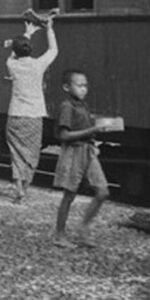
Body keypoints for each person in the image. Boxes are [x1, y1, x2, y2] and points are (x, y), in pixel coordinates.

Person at [53, 69, 110, 248]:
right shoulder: (67, 106)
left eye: (85, 85)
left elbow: (85, 122)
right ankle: (59, 234)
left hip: (88, 151)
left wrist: (101, 124)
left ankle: (83, 228)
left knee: (103, 191)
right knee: (69, 195)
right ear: (66, 87)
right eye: (79, 85)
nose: (84, 89)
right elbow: (63, 135)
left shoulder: (82, 105)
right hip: (74, 151)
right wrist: (92, 131)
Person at [5, 14, 59, 203]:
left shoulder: (11, 64)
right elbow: (53, 50)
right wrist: (49, 29)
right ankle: (24, 189)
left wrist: (27, 33)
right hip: (34, 116)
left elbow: (15, 52)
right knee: (31, 153)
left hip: (15, 116)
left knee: (16, 153)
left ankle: (19, 187)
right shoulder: (38, 66)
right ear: (31, 50)